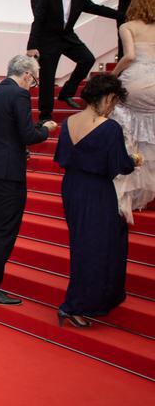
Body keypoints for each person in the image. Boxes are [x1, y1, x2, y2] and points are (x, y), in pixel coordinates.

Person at [0, 55, 58, 305]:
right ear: (27, 75)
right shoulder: (19, 95)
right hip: (9, 173)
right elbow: (28, 134)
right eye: (35, 80)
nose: (34, 84)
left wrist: (1, 147)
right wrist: (46, 129)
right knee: (5, 230)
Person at [54, 74, 140, 328]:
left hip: (72, 188)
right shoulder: (109, 127)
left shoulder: (69, 122)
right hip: (96, 191)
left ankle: (83, 301)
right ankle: (74, 305)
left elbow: (62, 157)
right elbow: (119, 166)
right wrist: (134, 160)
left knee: (84, 245)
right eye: (113, 102)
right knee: (96, 248)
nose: (113, 108)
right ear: (107, 97)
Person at [27, 0, 119, 122]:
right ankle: (45, 115)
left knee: (87, 59)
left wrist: (124, 15)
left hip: (68, 38)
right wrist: (32, 46)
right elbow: (38, 22)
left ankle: (66, 93)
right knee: (47, 78)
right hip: (48, 41)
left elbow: (98, 9)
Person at [110, 0, 155, 220]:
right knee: (150, 137)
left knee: (127, 135)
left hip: (135, 83)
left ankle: (124, 200)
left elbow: (128, 57)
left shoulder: (127, 26)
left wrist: (112, 76)